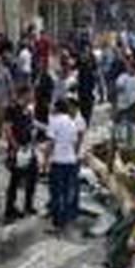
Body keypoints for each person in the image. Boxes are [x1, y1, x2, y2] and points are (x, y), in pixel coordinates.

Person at [44, 98, 84, 230]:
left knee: (56, 193)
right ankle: (65, 220)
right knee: (67, 193)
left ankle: (57, 223)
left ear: (56, 108)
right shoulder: (72, 122)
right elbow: (75, 142)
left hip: (58, 162)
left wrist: (45, 161)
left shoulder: (54, 121)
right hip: (70, 161)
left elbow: (50, 143)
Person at [3, 85, 38, 222]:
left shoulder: (28, 110)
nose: (32, 97)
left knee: (32, 175)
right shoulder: (12, 109)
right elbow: (7, 129)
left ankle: (28, 205)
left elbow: (31, 126)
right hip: (18, 149)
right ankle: (10, 208)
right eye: (30, 94)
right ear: (24, 95)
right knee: (15, 179)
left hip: (29, 147)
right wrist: (15, 146)